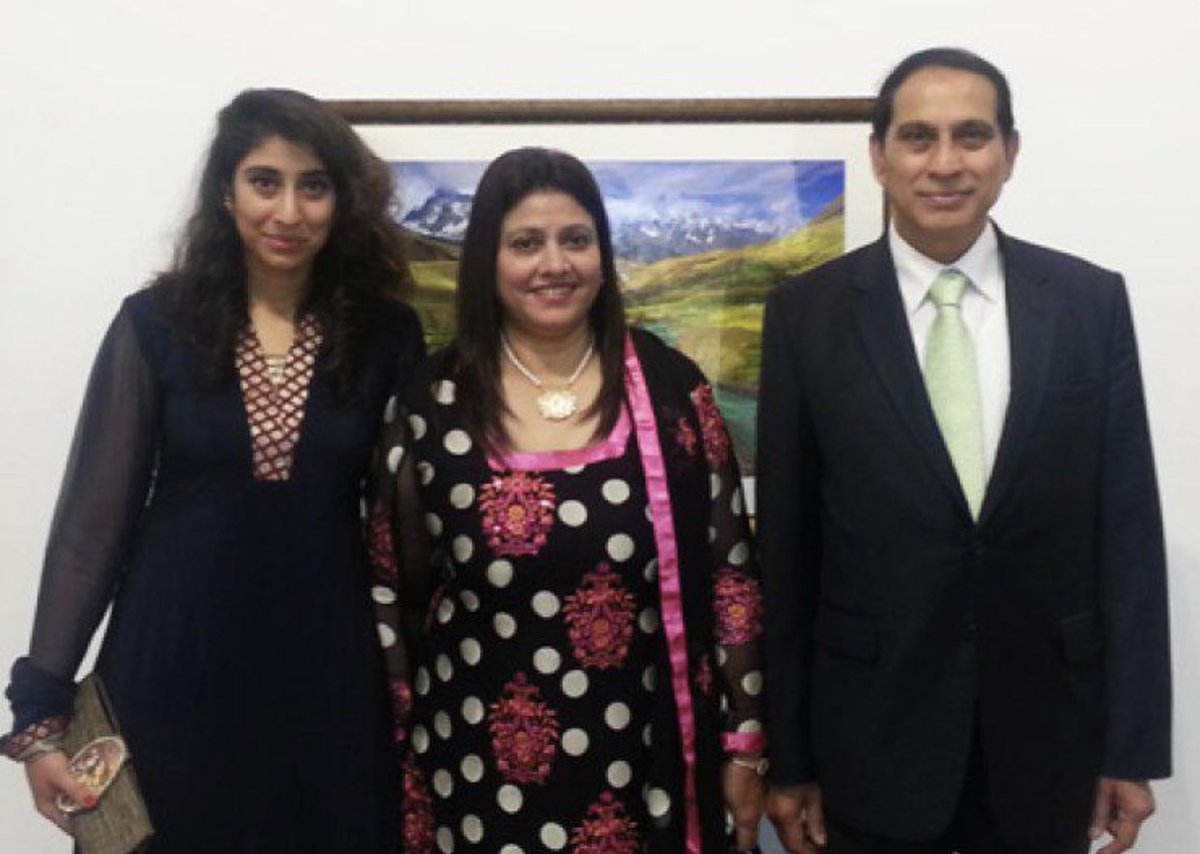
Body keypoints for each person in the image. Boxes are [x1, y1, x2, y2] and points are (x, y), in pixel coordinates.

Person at [758, 48, 1170, 854]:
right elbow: (787, 552)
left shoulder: (1088, 303)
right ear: (880, 156)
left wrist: (1132, 749)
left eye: (971, 135)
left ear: (1009, 152)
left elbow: (1127, 536)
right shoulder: (809, 316)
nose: (945, 163)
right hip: (868, 741)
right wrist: (792, 760)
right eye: (918, 137)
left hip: (1049, 740)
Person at [1, 88, 426, 851]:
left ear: (342, 202)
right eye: (265, 181)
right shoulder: (155, 325)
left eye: (313, 186)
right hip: (170, 667)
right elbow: (90, 530)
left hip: (327, 678)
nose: (288, 211)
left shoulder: (385, 335)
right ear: (226, 193)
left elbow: (408, 524)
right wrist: (39, 718)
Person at [368, 146, 768, 852]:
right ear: (487, 260)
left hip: (650, 762)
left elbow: (731, 576)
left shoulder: (672, 388)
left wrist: (746, 744)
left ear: (602, 255)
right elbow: (391, 592)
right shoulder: (431, 402)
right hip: (476, 767)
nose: (555, 264)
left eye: (576, 240)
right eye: (526, 243)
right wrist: (399, 757)